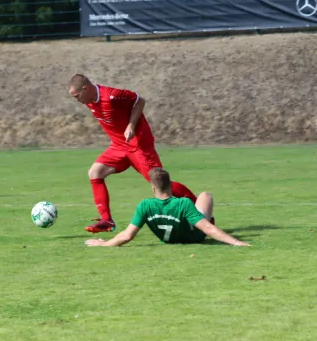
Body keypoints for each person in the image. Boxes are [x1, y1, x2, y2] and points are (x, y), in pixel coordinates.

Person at [68, 74, 197, 233]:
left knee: (158, 182)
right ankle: (107, 220)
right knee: (95, 172)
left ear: (85, 89)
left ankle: (201, 211)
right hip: (119, 147)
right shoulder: (89, 101)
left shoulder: (112, 96)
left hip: (139, 146)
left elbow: (139, 101)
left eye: (76, 95)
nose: (76, 99)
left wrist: (130, 126)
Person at [85, 168, 250, 247]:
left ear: (152, 188)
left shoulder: (145, 205)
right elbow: (208, 229)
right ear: (171, 186)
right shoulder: (183, 203)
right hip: (194, 237)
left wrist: (104, 244)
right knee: (205, 196)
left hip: (168, 239)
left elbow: (127, 235)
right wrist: (236, 242)